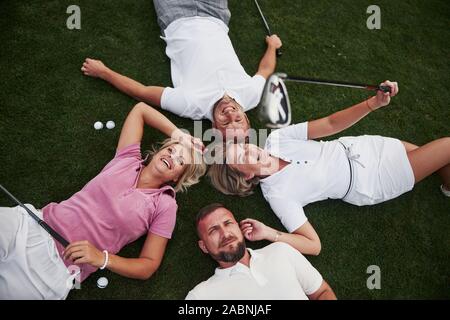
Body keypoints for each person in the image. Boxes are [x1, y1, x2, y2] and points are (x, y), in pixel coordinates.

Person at [207, 81, 450, 255]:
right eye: (244, 156)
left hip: (368, 146)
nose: (252, 149)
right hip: (371, 181)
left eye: (245, 146)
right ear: (247, 175)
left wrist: (373, 103)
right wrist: (270, 233)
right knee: (446, 148)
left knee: (442, 160)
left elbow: (330, 124)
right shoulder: (278, 195)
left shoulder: (276, 139)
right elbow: (314, 245)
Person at [0, 102, 206, 299]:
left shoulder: (165, 205)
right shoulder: (127, 158)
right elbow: (140, 110)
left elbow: (148, 266)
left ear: (178, 177)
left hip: (57, 269)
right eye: (171, 150)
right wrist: (181, 137)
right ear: (159, 151)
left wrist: (102, 258)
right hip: (31, 225)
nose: (172, 157)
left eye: (181, 160)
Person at [81, 0, 282, 139]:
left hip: (175, 15)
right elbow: (265, 69)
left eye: (226, 123)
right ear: (246, 117)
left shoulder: (190, 105)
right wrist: (272, 46)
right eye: (238, 119)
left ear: (214, 127)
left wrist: (103, 72)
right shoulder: (252, 96)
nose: (230, 114)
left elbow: (141, 91)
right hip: (217, 15)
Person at [186, 203, 336, 300]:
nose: (225, 234)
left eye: (228, 224)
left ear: (239, 227)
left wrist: (268, 232)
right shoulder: (201, 295)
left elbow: (322, 292)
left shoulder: (281, 251)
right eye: (213, 230)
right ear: (204, 246)